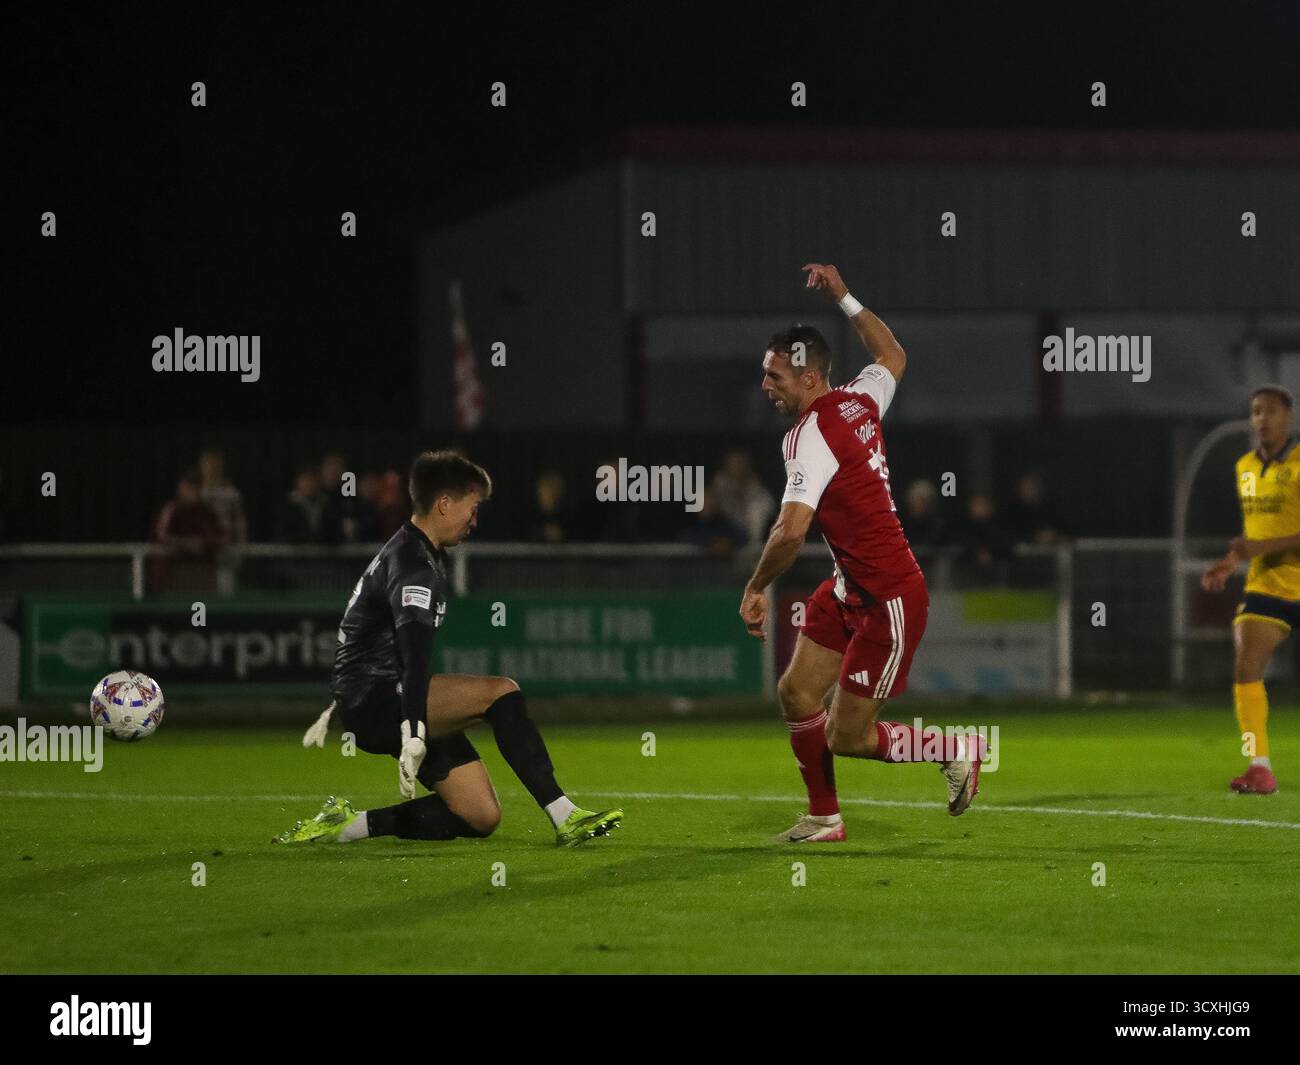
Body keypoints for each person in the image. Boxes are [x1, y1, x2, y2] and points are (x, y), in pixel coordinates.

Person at [739, 263, 984, 844]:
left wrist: (755, 587)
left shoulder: (807, 436)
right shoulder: (858, 400)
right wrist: (845, 298)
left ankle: (955, 750)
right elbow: (893, 355)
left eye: (774, 376)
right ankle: (825, 817)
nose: (766, 385)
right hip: (850, 587)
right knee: (796, 691)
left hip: (889, 597)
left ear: (808, 378)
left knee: (847, 737)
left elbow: (790, 531)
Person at [273, 449, 623, 847]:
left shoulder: (417, 551)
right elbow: (413, 653)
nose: (475, 520)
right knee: (502, 692)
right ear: (444, 504)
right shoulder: (412, 563)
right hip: (378, 698)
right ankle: (565, 815)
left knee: (478, 815)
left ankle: (347, 825)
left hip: (380, 695)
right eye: (472, 508)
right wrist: (415, 730)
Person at [1201, 384, 1300, 795]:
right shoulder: (1244, 466)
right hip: (1268, 585)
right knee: (1246, 669)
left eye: (1271, 411)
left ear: (1288, 417)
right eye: (1256, 411)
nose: (1262, 419)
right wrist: (1232, 560)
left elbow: (1269, 538)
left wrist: (1261, 546)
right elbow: (1255, 531)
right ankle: (1259, 766)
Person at [149, 469, 227, 591]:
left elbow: (221, 538)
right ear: (180, 489)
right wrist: (185, 544)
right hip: (173, 573)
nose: (191, 492)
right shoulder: (172, 509)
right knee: (177, 608)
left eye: (195, 488)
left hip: (201, 573)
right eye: (187, 488)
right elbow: (161, 537)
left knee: (200, 607)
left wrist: (202, 543)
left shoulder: (208, 512)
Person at [711, 450, 776, 546]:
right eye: (733, 463)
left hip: (753, 546)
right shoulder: (718, 488)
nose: (736, 467)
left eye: (739, 464)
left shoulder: (759, 493)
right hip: (724, 544)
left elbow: (770, 511)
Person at [197, 449, 248, 546]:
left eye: (215, 465)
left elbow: (239, 523)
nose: (211, 469)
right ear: (202, 466)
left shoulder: (232, 493)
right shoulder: (194, 491)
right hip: (200, 548)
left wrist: (241, 546)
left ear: (221, 467)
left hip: (226, 546)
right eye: (208, 465)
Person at [274, 465, 328, 543]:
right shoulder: (287, 505)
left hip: (321, 552)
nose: (308, 484)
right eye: (305, 480)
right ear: (297, 482)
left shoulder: (326, 504)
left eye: (312, 480)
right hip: (292, 552)